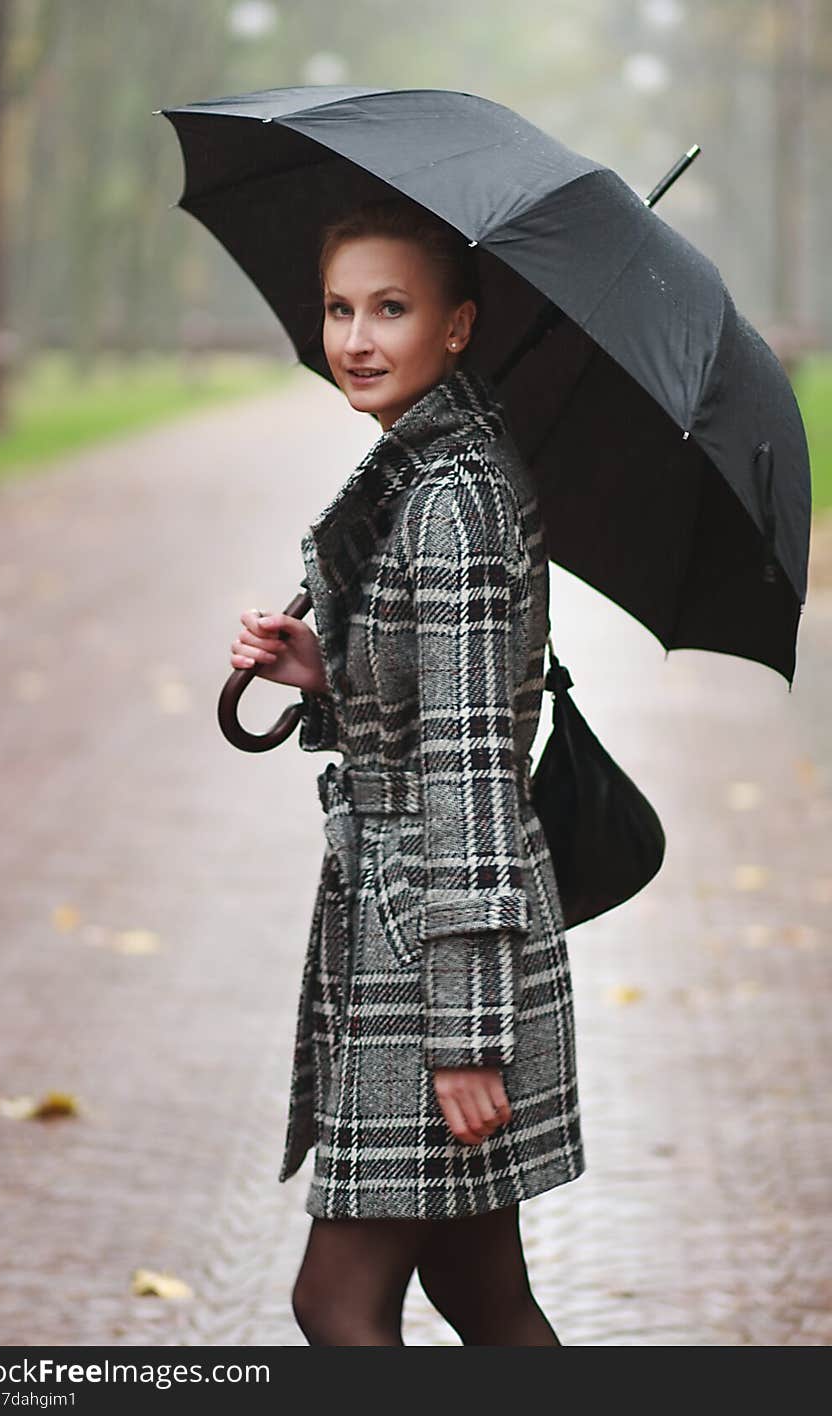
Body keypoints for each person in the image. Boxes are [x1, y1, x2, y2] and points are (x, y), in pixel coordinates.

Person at [230, 197, 585, 1346]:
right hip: (413, 916)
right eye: (340, 308)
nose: (357, 339)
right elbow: (436, 706)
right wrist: (329, 674)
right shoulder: (436, 472)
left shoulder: (452, 502)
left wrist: (467, 1033)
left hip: (427, 942)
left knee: (334, 1302)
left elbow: (476, 770)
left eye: (392, 308)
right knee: (480, 1296)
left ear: (459, 325)